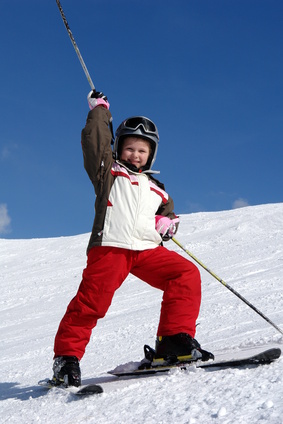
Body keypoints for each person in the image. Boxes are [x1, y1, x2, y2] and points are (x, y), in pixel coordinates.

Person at [51, 90, 213, 387]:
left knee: (185, 273)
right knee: (91, 304)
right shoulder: (108, 172)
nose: (135, 155)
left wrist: (167, 222)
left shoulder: (157, 188)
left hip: (146, 250)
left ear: (151, 154)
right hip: (112, 247)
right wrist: (100, 112)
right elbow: (95, 142)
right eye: (129, 148)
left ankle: (174, 340)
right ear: (118, 148)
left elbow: (168, 214)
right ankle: (66, 359)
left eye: (142, 150)